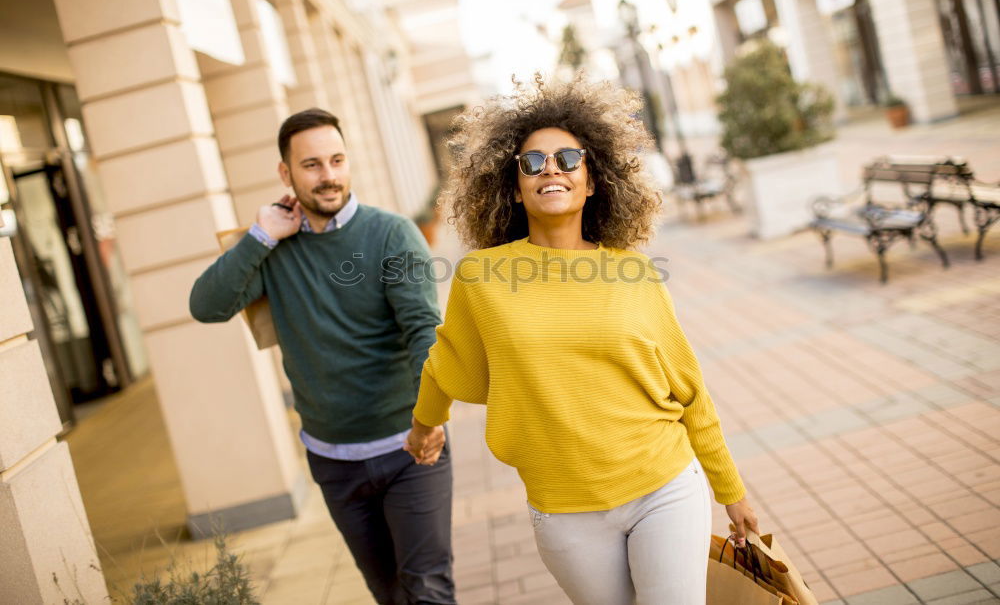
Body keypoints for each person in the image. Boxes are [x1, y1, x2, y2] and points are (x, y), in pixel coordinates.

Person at [405, 78, 757, 605]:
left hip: (663, 485)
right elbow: (446, 366)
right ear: (514, 186)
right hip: (564, 506)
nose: (551, 168)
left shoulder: (634, 272)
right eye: (532, 162)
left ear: (592, 182)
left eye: (569, 158)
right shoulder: (480, 278)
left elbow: (688, 390)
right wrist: (424, 426)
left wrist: (731, 491)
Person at [189, 108, 455, 605]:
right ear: (285, 174)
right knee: (389, 593)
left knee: (429, 588)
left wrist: (431, 417)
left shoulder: (391, 234)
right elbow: (206, 306)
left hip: (409, 448)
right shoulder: (273, 247)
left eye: (336, 160)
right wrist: (261, 236)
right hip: (333, 461)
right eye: (312, 165)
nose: (329, 176)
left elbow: (424, 332)